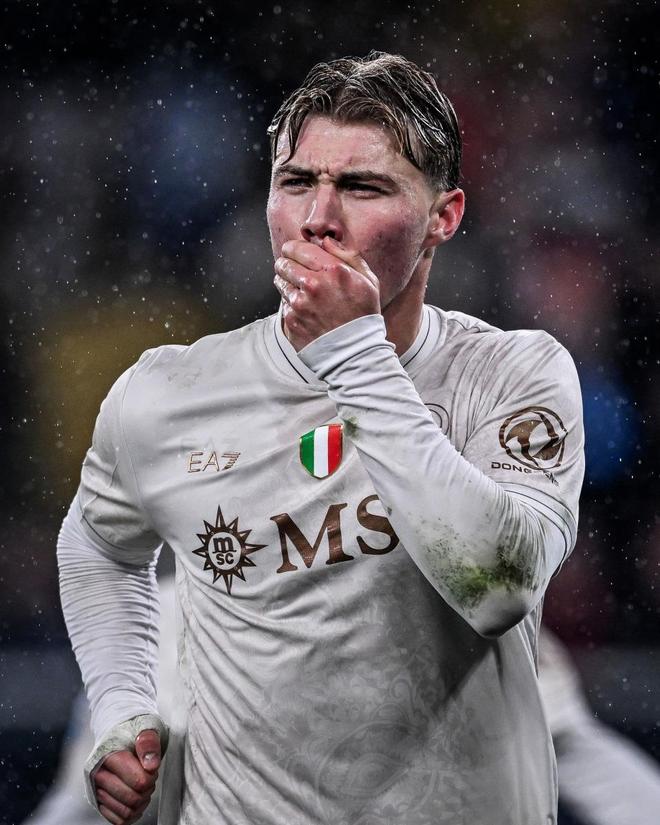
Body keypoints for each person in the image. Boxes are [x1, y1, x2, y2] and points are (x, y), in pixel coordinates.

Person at [58, 52, 585, 825]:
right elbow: (97, 546)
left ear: (444, 216)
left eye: (363, 187)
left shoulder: (511, 375)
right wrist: (123, 700)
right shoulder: (168, 392)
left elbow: (498, 584)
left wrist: (353, 353)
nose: (318, 218)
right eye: (296, 182)